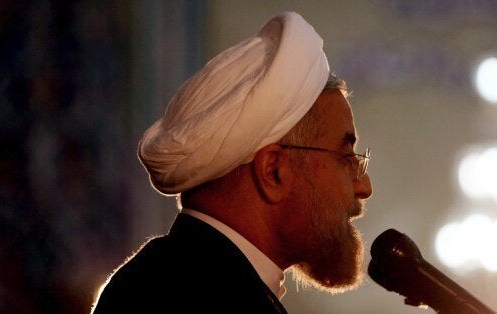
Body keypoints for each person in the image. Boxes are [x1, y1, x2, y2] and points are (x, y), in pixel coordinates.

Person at [92, 11, 372, 313]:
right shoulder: (195, 296)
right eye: (346, 157)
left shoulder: (179, 277)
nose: (364, 186)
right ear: (274, 171)